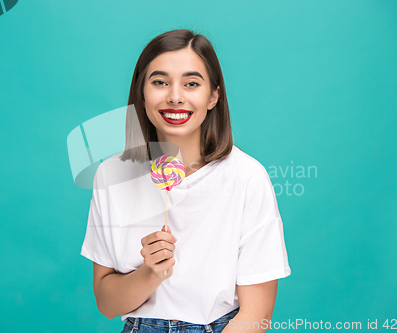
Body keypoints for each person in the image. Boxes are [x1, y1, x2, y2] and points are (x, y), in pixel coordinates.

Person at [81, 29, 291, 333]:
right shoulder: (112, 175)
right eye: (159, 82)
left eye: (191, 83)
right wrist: (150, 273)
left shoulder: (247, 177)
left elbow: (256, 316)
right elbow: (107, 304)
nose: (175, 96)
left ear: (213, 96)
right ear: (142, 92)